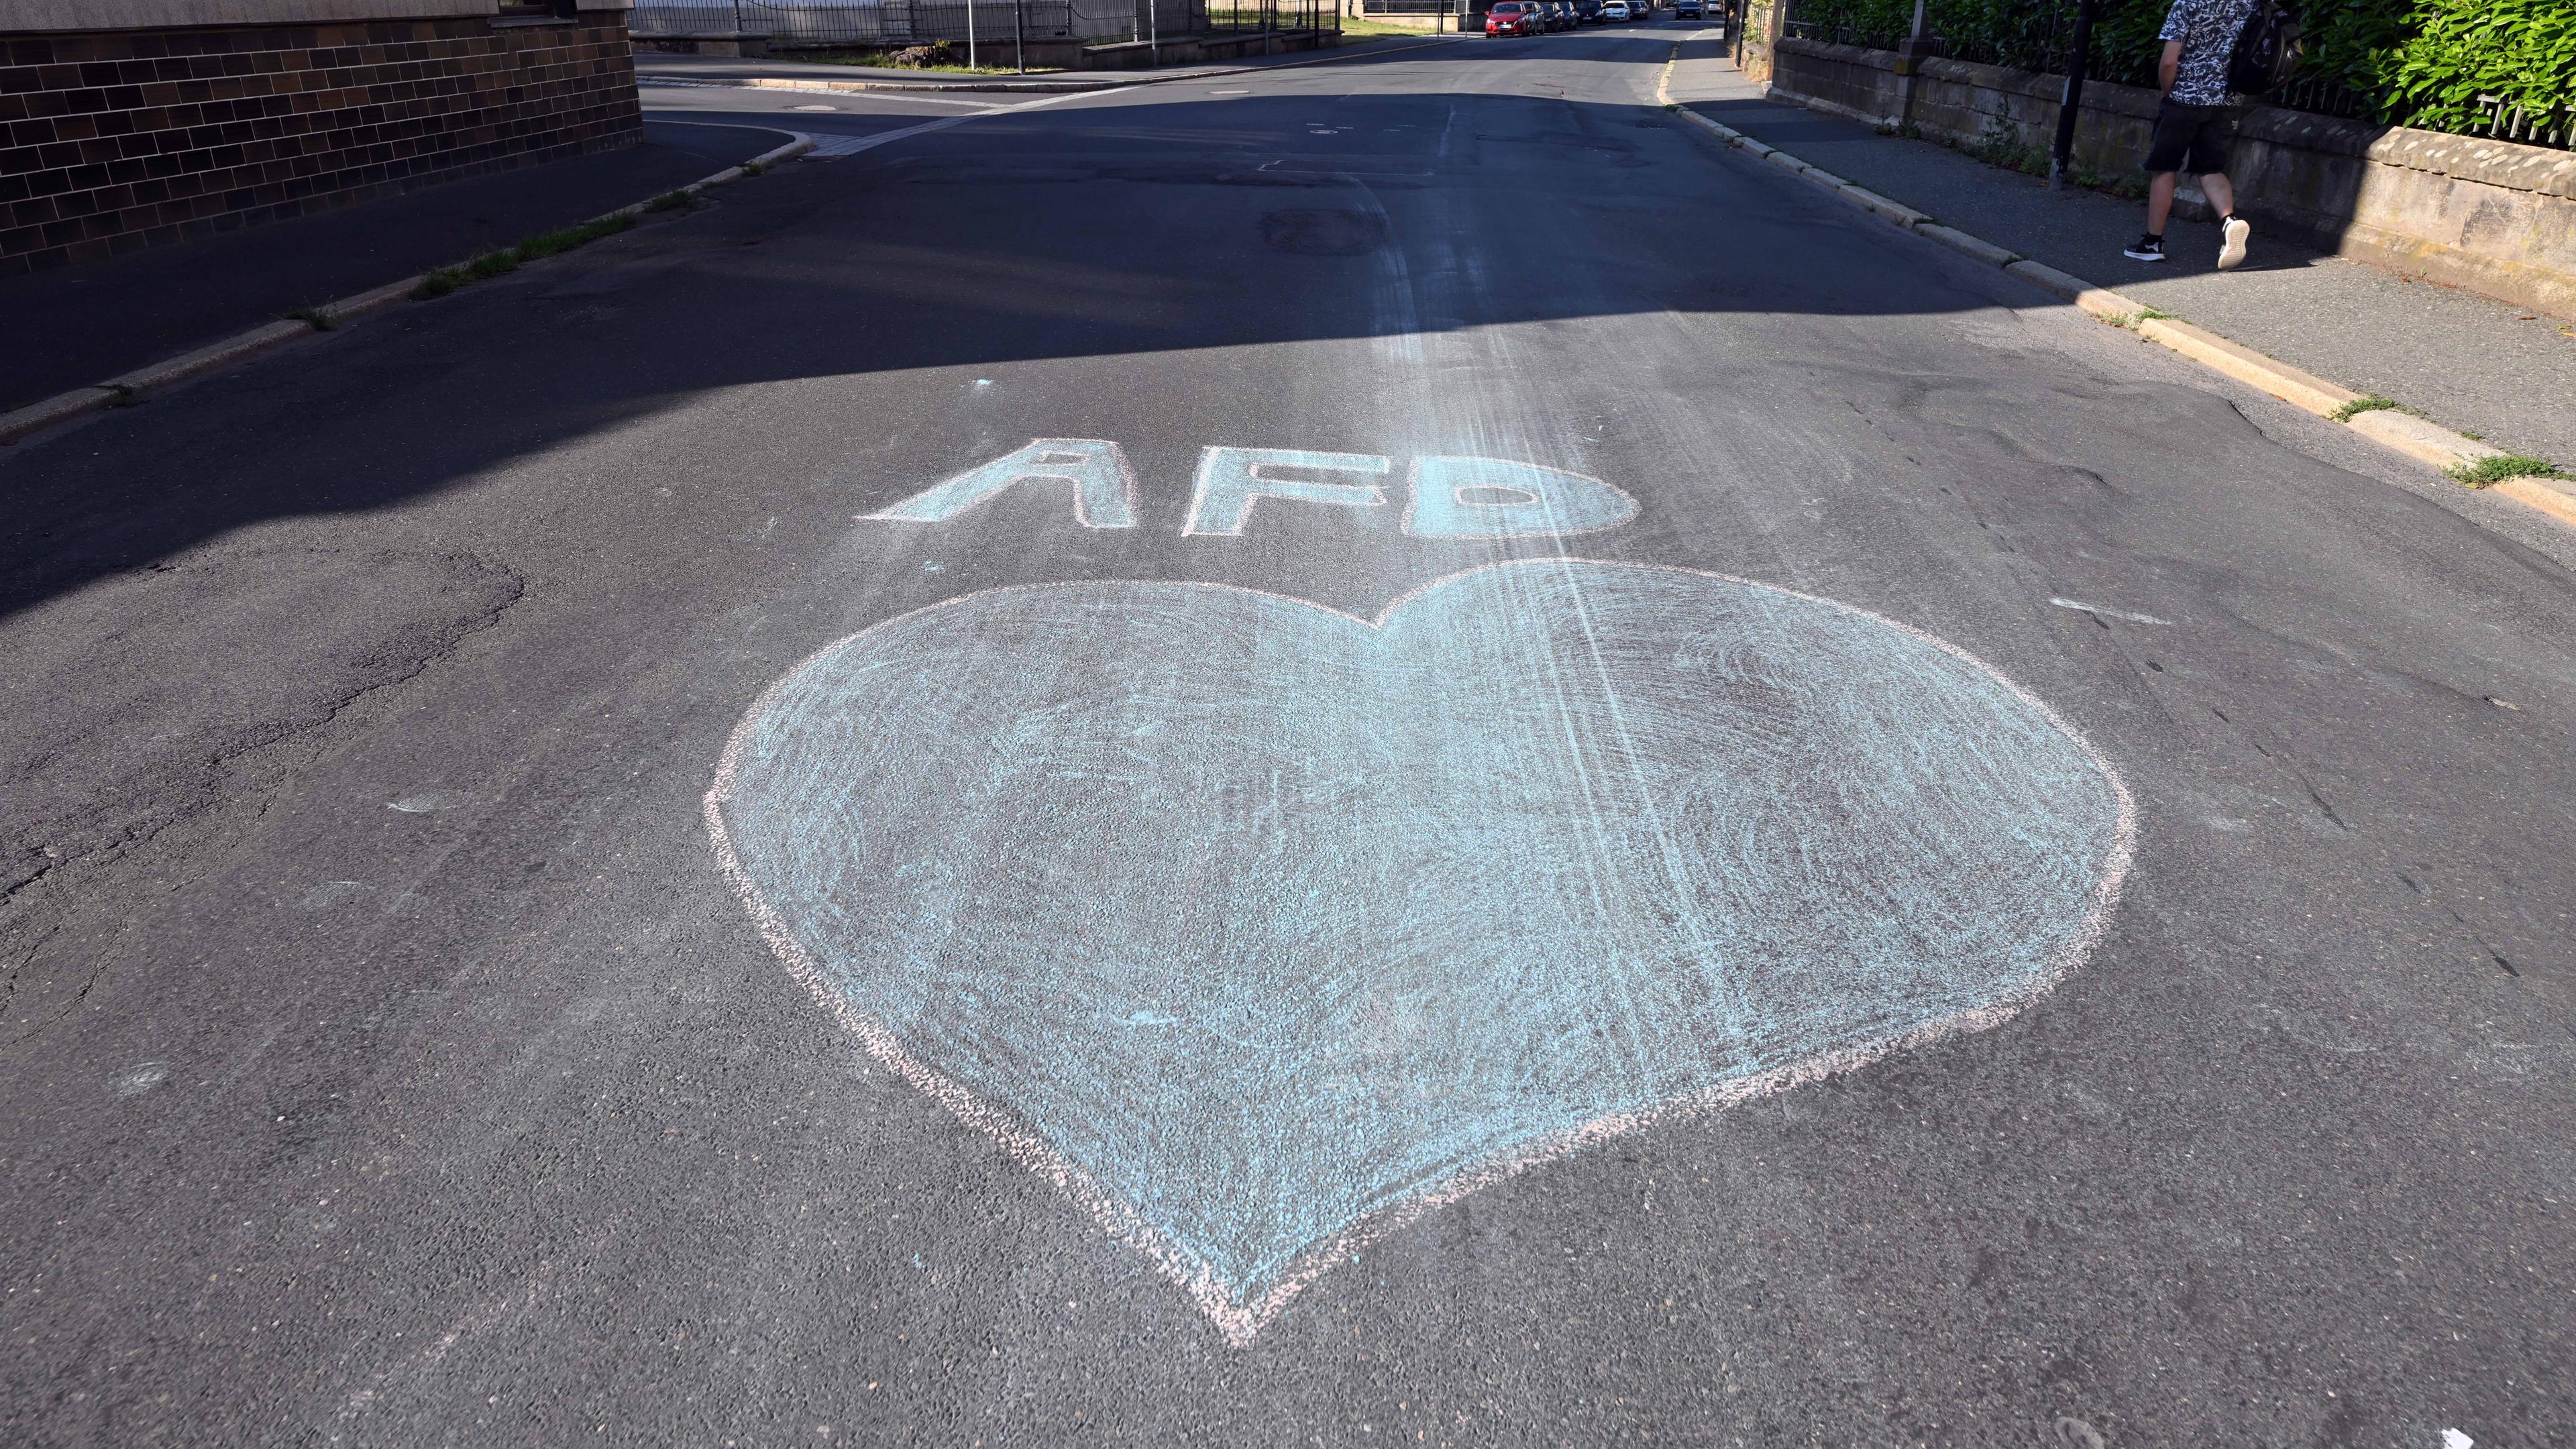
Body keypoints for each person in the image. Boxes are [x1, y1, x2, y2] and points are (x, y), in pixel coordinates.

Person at [2126, 0, 2255, 268]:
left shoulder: (2188, 3)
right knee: (2211, 169)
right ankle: (2229, 221)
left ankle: (2153, 243)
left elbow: (2168, 61)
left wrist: (2168, 94)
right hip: (2227, 102)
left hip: (2185, 98)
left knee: (2165, 167)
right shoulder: (2249, 4)